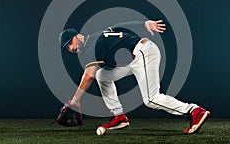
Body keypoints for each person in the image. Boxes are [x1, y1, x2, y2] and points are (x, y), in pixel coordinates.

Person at [59, 20, 210, 134]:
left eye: (70, 43)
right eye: (67, 48)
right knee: (102, 75)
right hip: (133, 61)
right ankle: (119, 117)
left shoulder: (91, 45)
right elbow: (121, 25)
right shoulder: (98, 35)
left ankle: (194, 111)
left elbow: (88, 75)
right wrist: (144, 24)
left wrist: (75, 100)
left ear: (78, 36)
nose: (71, 48)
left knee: (151, 99)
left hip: (143, 53)